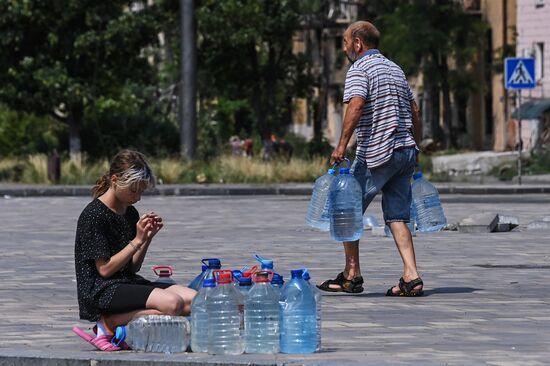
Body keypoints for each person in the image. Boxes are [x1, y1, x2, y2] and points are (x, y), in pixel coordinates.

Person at [317, 21, 424, 297]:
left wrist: (341, 145)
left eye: (344, 41)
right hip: (405, 151)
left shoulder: (359, 69)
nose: (343, 47)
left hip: (377, 152)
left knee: (347, 211)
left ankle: (352, 276)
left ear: (358, 43)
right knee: (398, 216)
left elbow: (356, 104)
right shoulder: (395, 68)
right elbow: (415, 110)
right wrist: (416, 146)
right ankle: (411, 276)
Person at [72, 149, 196, 351]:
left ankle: (121, 324)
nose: (137, 197)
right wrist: (137, 241)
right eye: (133, 190)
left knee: (195, 300)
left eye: (141, 192)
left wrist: (146, 238)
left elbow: (132, 267)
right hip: (101, 290)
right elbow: (104, 270)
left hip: (124, 282)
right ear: (115, 180)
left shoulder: (129, 211)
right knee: (173, 304)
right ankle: (108, 323)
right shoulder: (94, 215)